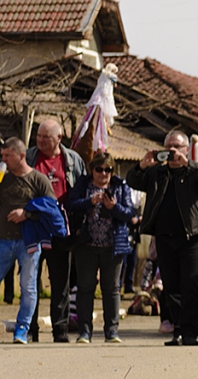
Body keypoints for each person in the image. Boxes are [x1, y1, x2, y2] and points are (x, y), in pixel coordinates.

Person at [126, 130, 198, 346]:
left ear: (186, 150)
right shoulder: (156, 172)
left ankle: (190, 333)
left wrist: (189, 164)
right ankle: (177, 330)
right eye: (169, 147)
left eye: (177, 147)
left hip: (190, 236)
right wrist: (142, 165)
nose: (173, 151)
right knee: (171, 286)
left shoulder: (194, 171)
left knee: (190, 285)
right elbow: (132, 180)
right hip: (164, 237)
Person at [65, 153, 134, 343]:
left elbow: (130, 213)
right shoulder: (83, 185)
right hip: (86, 245)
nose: (103, 174)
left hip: (113, 246)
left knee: (111, 288)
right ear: (92, 169)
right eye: (99, 169)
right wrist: (90, 202)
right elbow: (70, 204)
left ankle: (111, 331)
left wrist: (113, 207)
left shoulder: (120, 186)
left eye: (108, 170)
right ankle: (84, 331)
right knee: (85, 288)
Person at [27, 119, 86, 343]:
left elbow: (80, 190)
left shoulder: (72, 159)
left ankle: (59, 329)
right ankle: (29, 328)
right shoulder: (29, 156)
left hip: (61, 229)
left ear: (59, 138)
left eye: (46, 137)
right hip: (33, 226)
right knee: (30, 279)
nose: (41, 141)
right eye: (39, 136)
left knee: (60, 282)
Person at [0, 137, 56, 344]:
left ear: (21, 156)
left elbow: (52, 210)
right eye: (2, 155)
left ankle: (22, 330)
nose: (3, 159)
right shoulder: (2, 177)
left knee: (28, 287)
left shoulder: (39, 179)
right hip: (2, 240)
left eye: (8, 155)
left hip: (29, 242)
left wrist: (27, 214)